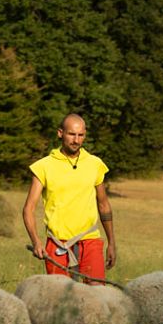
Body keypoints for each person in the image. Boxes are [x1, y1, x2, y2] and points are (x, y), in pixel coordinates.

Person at [22, 113, 116, 284]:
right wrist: (36, 241)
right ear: (60, 133)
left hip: (90, 240)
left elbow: (103, 205)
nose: (76, 140)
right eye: (72, 134)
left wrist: (111, 243)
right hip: (58, 244)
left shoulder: (95, 164)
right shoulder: (44, 166)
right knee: (60, 299)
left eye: (81, 135)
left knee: (97, 297)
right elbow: (29, 208)